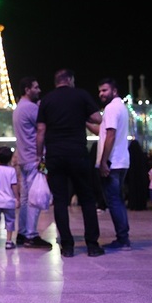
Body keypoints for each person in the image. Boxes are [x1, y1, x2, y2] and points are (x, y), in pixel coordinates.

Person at [36, 69, 104, 257]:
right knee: (87, 198)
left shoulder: (47, 100)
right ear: (71, 80)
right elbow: (98, 118)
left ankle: (67, 246)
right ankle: (92, 244)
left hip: (55, 156)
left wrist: (39, 155)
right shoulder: (81, 95)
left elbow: (40, 131)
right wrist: (81, 116)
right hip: (78, 153)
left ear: (56, 81)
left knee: (60, 200)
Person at [87, 78, 131, 251]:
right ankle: (124, 237)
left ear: (114, 90)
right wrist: (85, 121)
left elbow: (110, 135)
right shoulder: (121, 107)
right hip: (121, 161)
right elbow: (102, 131)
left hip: (112, 162)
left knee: (114, 201)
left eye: (105, 90)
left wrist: (104, 161)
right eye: (100, 91)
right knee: (118, 200)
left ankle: (123, 239)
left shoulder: (112, 108)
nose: (101, 94)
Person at [11, 76, 52, 249]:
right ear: (27, 89)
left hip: (23, 158)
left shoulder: (19, 107)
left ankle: (22, 233)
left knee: (27, 197)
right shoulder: (31, 108)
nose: (39, 90)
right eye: (35, 87)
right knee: (35, 197)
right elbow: (45, 127)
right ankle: (32, 235)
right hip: (35, 159)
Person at [126, 140, 149, 210]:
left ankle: (132, 204)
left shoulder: (129, 156)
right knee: (140, 190)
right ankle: (141, 205)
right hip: (141, 178)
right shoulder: (142, 156)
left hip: (131, 178)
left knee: (132, 190)